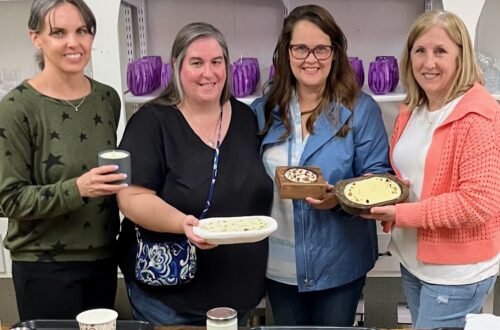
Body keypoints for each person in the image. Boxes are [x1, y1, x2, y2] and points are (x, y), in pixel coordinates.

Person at [116, 22, 273, 326]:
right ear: (177, 66)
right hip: (169, 296)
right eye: (196, 63)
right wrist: (182, 224)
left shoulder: (244, 118)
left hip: (238, 294)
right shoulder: (151, 122)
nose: (208, 73)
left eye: (216, 62)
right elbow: (131, 197)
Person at [250, 4, 391, 327]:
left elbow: (378, 178)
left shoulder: (360, 109)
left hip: (338, 264)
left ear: (335, 53)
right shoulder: (265, 109)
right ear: (286, 53)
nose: (310, 59)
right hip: (277, 264)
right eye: (300, 48)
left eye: (321, 49)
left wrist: (338, 200)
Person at [361, 10, 500, 328]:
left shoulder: (478, 114)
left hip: (457, 273)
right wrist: (382, 186)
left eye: (440, 51)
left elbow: (478, 203)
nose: (428, 62)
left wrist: (399, 214)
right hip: (415, 260)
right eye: (419, 51)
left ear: (461, 56)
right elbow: (415, 175)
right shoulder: (414, 108)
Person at [0, 0, 126, 321]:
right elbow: (8, 200)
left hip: (102, 257)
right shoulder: (17, 107)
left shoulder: (107, 98)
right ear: (36, 38)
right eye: (58, 32)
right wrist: (78, 188)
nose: (74, 43)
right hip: (44, 266)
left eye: (82, 30)